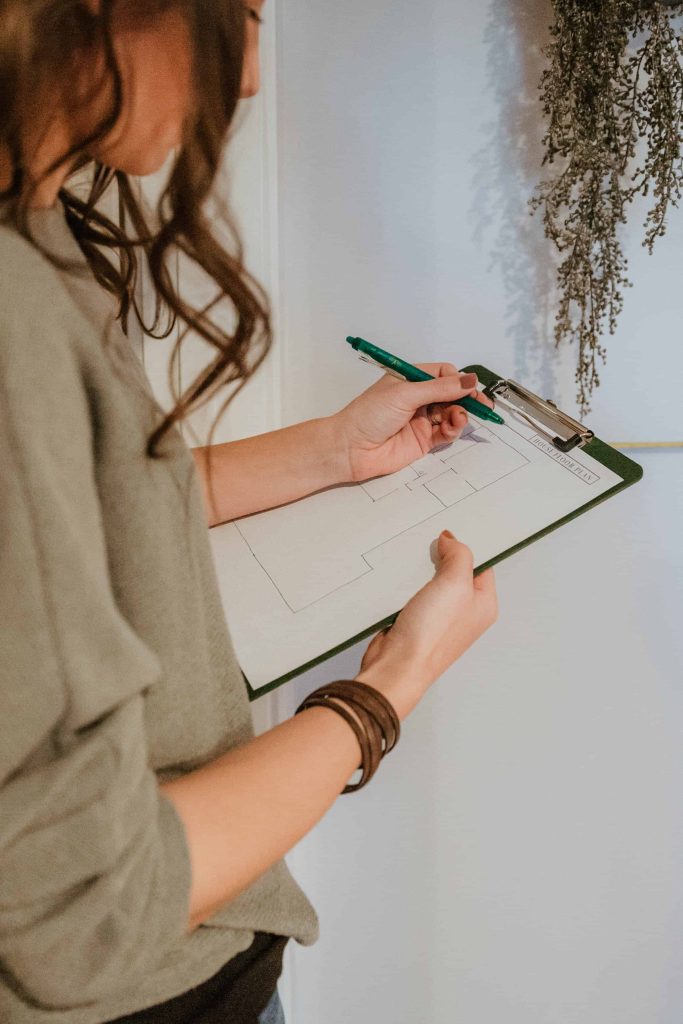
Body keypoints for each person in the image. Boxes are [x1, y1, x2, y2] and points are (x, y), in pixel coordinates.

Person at [0, 1, 498, 1022]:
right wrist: (388, 687)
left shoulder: (36, 231)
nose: (255, 76)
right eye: (243, 14)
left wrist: (331, 450)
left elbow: (71, 511)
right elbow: (80, 917)